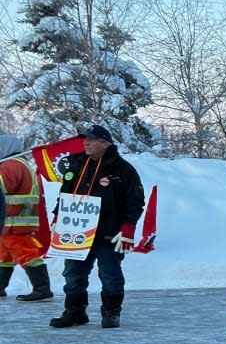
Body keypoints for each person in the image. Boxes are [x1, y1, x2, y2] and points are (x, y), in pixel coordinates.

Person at [49, 124, 144, 330]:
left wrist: (128, 228)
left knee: (109, 273)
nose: (86, 143)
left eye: (91, 139)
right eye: (85, 139)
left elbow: (135, 200)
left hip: (108, 231)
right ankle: (75, 312)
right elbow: (65, 193)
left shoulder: (123, 169)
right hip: (76, 231)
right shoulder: (76, 164)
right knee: (73, 273)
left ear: (105, 143)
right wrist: (58, 216)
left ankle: (111, 312)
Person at [0, 134, 53, 302]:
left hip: (14, 221)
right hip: (14, 221)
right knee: (5, 255)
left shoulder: (11, 165)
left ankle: (42, 289)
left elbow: (2, 187)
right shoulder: (21, 163)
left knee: (26, 254)